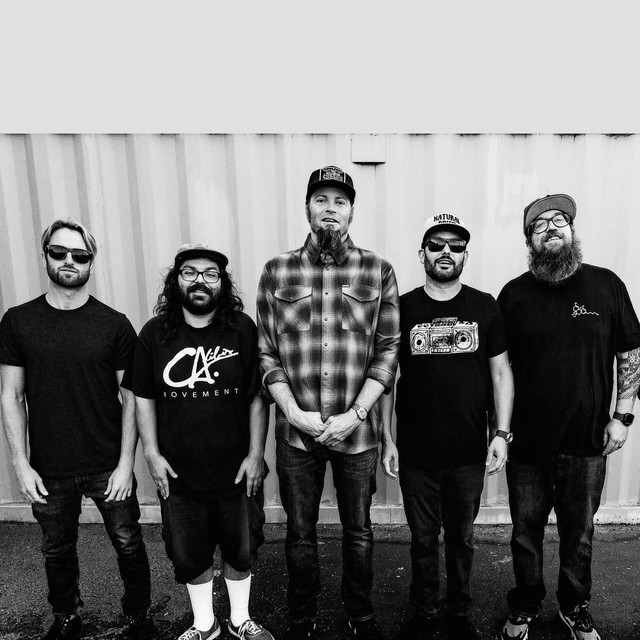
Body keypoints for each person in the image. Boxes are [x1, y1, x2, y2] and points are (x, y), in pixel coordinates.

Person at [256, 165, 400, 640]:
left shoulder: (378, 270)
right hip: (296, 433)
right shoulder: (277, 271)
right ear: (307, 208)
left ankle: (359, 611)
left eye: (340, 201)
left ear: (352, 210)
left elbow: (388, 349)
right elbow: (266, 351)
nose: (330, 209)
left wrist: (356, 414)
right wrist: (292, 412)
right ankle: (302, 615)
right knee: (299, 534)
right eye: (321, 199)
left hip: (356, 433)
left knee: (358, 532)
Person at [0, 219, 157, 640]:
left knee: (128, 542)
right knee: (56, 548)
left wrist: (125, 465)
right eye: (59, 252)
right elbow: (11, 395)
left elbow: (131, 398)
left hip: (107, 462)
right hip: (48, 466)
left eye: (79, 254)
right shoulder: (18, 321)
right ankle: (66, 617)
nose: (69, 260)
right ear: (45, 256)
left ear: (91, 261)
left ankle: (139, 616)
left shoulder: (114, 324)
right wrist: (20, 464)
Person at [496, 194, 640, 640]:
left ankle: (574, 607)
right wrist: (499, 431)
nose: (551, 228)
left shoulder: (606, 285)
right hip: (527, 442)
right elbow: (497, 370)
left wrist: (623, 415)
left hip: (587, 440)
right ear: (530, 241)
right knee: (525, 532)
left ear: (572, 230)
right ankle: (525, 605)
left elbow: (630, 351)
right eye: (539, 225)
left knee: (579, 533)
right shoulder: (513, 294)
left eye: (559, 220)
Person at [380, 214, 514, 640]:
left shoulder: (485, 306)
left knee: (462, 539)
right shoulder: (402, 307)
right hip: (416, 450)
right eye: (436, 244)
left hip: (468, 450)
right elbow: (385, 378)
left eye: (455, 246)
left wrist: (501, 433)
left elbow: (501, 373)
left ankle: (457, 615)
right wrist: (387, 439)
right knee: (422, 539)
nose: (445, 252)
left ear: (465, 256)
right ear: (422, 253)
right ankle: (424, 613)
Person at [129, 243, 273, 640]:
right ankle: (204, 625)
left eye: (211, 274)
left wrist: (256, 454)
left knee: (241, 549)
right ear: (176, 281)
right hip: (179, 472)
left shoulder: (241, 328)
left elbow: (257, 396)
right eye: (189, 272)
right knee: (189, 553)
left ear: (222, 283)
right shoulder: (155, 333)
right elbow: (143, 397)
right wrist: (151, 453)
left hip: (236, 469)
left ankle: (240, 620)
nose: (200, 281)